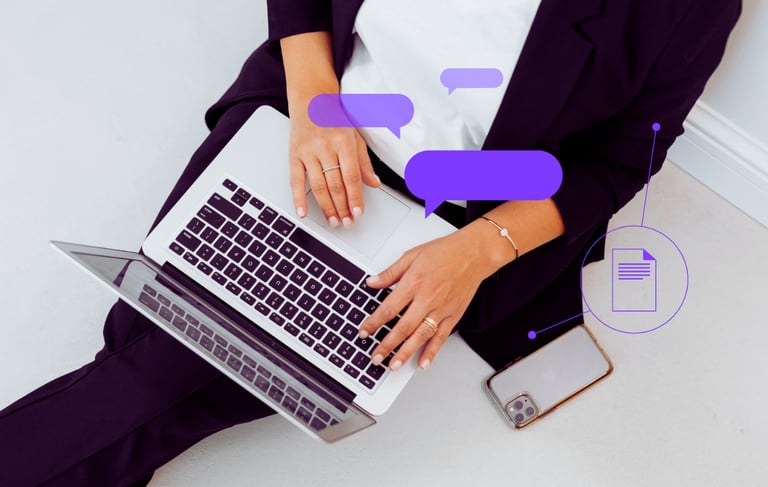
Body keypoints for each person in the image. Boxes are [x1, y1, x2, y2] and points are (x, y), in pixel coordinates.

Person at [0, 0, 741, 485]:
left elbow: (622, 157)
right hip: (306, 125)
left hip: (445, 222)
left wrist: (481, 249)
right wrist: (315, 99)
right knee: (165, 364)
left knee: (156, 360)